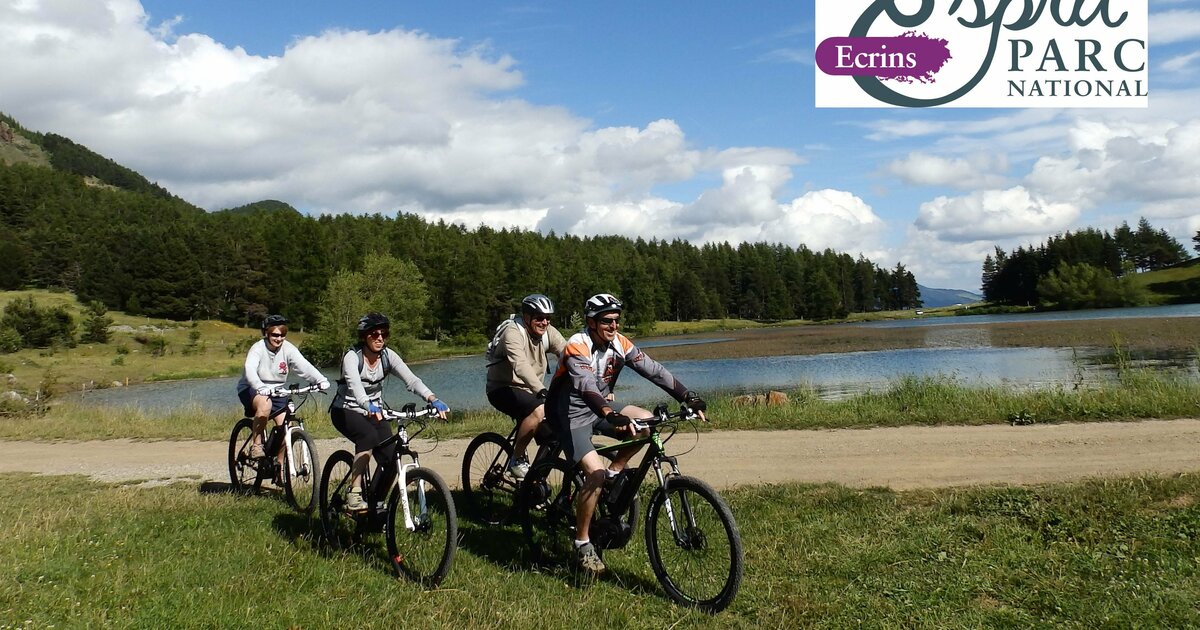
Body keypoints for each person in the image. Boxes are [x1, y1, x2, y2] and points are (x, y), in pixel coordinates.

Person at [545, 293, 706, 574]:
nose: (614, 326)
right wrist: (610, 414)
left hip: (601, 408)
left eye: (617, 320)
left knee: (646, 422)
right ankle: (582, 543)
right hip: (569, 415)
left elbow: (652, 370)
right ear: (591, 322)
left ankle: (615, 470)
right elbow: (585, 385)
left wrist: (687, 396)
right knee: (594, 473)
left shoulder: (619, 344)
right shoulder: (576, 345)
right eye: (607, 321)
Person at [329, 312, 450, 511]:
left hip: (375, 411)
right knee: (367, 437)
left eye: (384, 334)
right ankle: (355, 492)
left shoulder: (387, 356)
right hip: (346, 410)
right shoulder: (352, 357)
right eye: (374, 334)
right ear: (364, 336)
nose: (380, 338)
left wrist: (432, 398)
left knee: (391, 458)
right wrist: (368, 405)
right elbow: (355, 388)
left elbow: (411, 380)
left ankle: (376, 503)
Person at [235, 314, 330, 479]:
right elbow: (250, 369)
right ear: (266, 333)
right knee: (265, 405)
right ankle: (257, 445)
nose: (279, 339)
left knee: (285, 425)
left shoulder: (288, 349)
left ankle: (279, 467)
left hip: (277, 390)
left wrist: (320, 379)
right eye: (275, 335)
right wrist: (260, 386)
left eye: (282, 335)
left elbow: (304, 366)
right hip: (252, 387)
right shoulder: (258, 348)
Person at [485, 293, 567, 479]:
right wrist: (541, 390)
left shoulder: (549, 333)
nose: (544, 322)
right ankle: (516, 459)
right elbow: (520, 365)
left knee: (555, 436)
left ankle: (534, 483)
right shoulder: (513, 332)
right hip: (502, 388)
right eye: (539, 318)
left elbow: (570, 355)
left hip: (531, 391)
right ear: (527, 317)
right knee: (539, 410)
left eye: (548, 318)